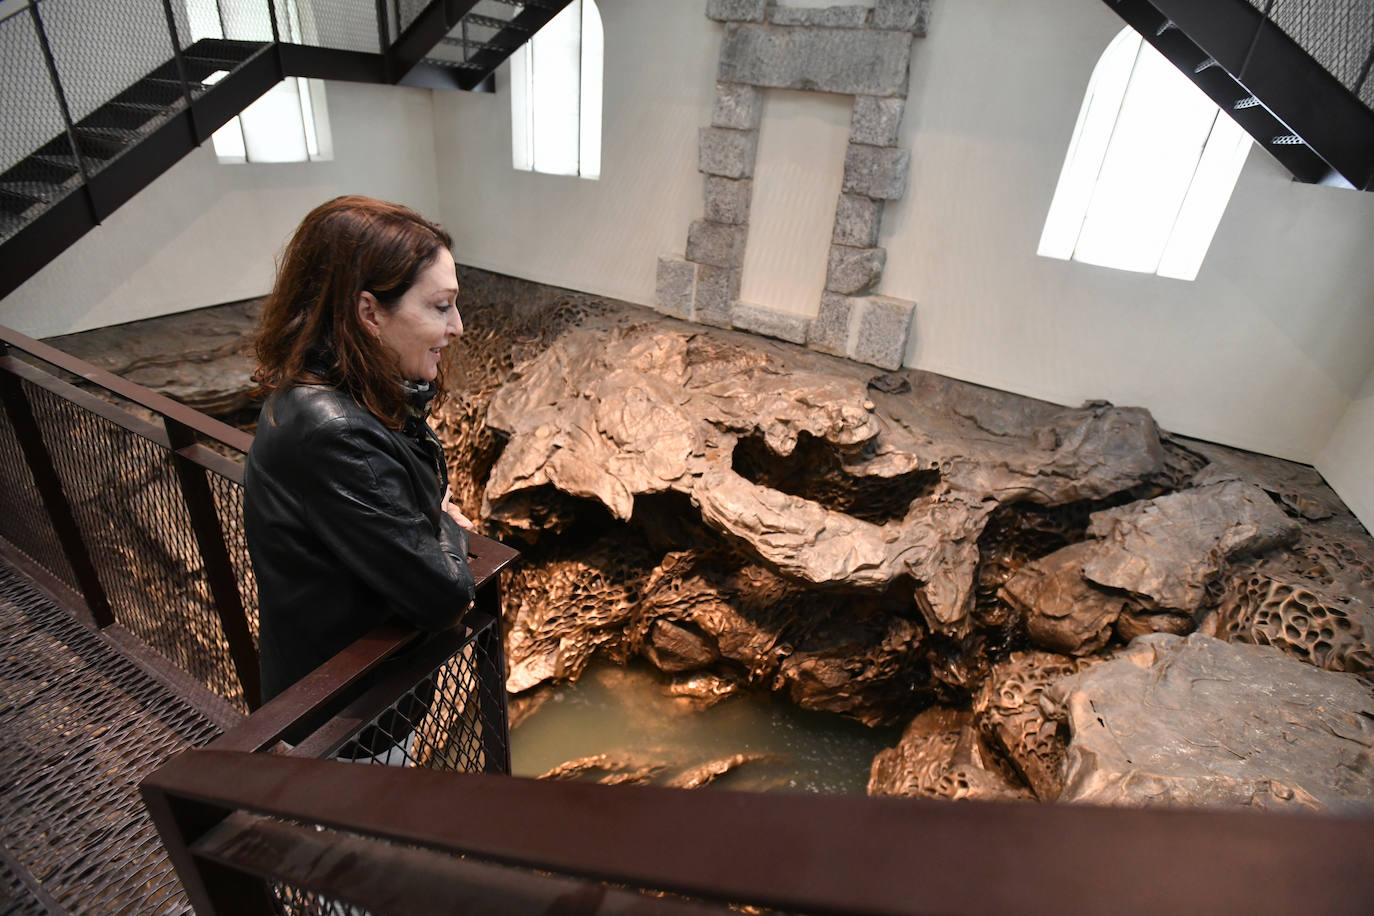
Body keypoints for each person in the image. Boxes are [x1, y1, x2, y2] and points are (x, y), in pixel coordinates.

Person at [243, 195, 477, 742]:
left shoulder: (345, 390)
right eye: (441, 307)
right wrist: (438, 522)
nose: (459, 327)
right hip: (348, 715)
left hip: (350, 690)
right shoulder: (335, 430)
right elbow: (444, 594)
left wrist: (422, 517)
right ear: (369, 313)